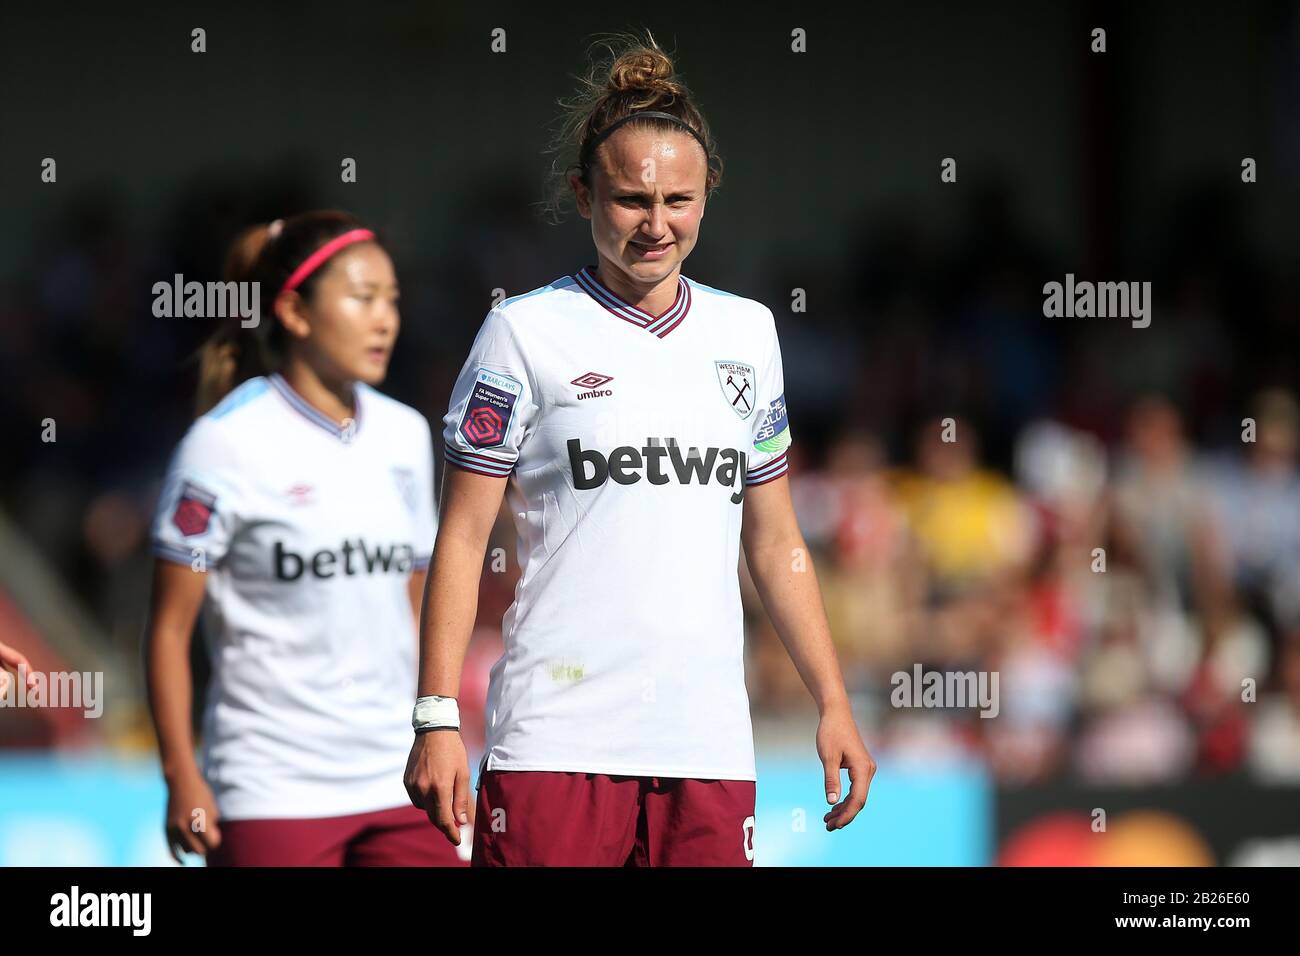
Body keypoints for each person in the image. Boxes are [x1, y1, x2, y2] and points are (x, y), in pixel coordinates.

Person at [405, 34, 875, 867]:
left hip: (707, 751)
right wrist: (437, 715)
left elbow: (774, 541)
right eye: (630, 200)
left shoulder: (749, 334)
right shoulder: (522, 331)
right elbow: (464, 537)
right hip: (557, 742)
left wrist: (832, 700)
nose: (656, 224)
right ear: (584, 195)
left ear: (707, 196)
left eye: (678, 201)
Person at [145, 210, 466, 866]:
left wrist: (439, 723)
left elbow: (415, 601)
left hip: (397, 774)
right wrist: (181, 775)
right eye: (362, 298)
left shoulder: (406, 434)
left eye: (393, 300)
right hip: (272, 786)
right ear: (294, 312)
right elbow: (169, 632)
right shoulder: (222, 445)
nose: (385, 319)